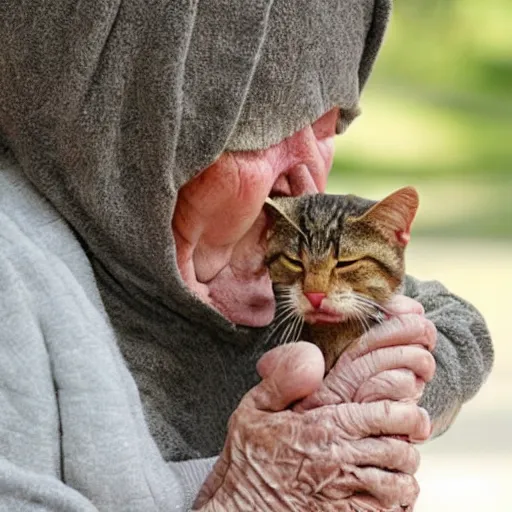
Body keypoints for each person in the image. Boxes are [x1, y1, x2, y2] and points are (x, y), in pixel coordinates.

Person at [0, 1, 493, 510]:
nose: (304, 186)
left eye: (328, 126)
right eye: (260, 132)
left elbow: (460, 328)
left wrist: (370, 398)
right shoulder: (18, 278)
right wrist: (248, 497)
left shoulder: (280, 265)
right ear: (131, 129)